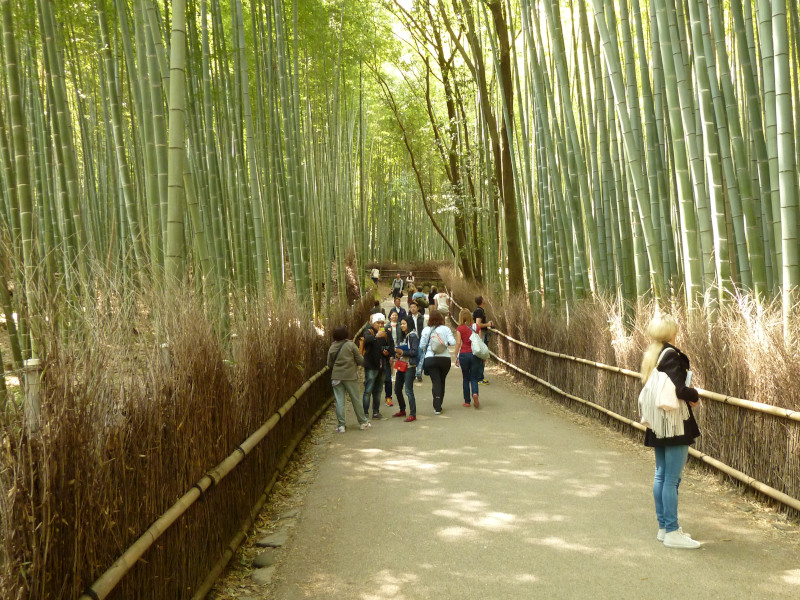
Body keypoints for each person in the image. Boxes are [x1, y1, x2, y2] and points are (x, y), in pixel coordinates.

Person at [640, 314, 701, 550]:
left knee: (661, 475)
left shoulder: (652, 354)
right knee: (671, 479)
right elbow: (679, 388)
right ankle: (673, 531)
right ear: (671, 332)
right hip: (673, 423)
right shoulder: (672, 355)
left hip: (658, 422)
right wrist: (694, 396)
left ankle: (664, 527)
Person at [327, 326, 371, 432]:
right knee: (355, 399)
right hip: (350, 375)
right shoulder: (351, 345)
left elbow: (329, 363)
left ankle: (341, 425)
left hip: (337, 376)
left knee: (339, 401)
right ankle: (363, 423)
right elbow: (360, 359)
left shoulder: (332, 347)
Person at [418, 310, 456, 415]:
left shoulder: (426, 330)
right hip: (445, 359)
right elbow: (453, 342)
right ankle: (439, 403)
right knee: (441, 380)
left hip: (430, 358)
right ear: (441, 319)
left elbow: (421, 346)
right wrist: (444, 343)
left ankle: (437, 406)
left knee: (435, 381)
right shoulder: (446, 329)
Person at [362, 313, 394, 419]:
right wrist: (376, 336)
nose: (380, 325)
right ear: (373, 323)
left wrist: (387, 352)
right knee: (368, 390)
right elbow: (366, 340)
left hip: (382, 365)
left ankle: (376, 412)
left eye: (382, 323)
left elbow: (390, 346)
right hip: (371, 365)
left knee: (379, 390)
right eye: (378, 323)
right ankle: (365, 413)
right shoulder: (369, 331)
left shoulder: (386, 333)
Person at [392, 318, 419, 422]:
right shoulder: (402, 335)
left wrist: (402, 352)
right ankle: (402, 409)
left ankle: (413, 413)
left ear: (409, 324)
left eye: (404, 324)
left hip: (409, 366)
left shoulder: (412, 336)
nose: (402, 326)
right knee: (397, 389)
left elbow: (415, 352)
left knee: (408, 390)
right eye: (401, 324)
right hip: (401, 365)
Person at [454, 309, 481, 409]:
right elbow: (479, 341)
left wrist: (456, 356)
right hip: (475, 354)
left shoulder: (460, 328)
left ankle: (467, 401)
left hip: (464, 354)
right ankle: (475, 393)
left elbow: (458, 343)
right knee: (474, 377)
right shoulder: (476, 327)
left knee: (466, 378)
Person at [473, 296, 493, 384]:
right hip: (481, 334)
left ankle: (478, 376)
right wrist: (488, 324)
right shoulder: (479, 311)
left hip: (482, 334)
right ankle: (479, 377)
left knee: (481, 356)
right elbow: (478, 324)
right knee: (482, 355)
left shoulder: (479, 310)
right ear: (482, 301)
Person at [384, 312, 403, 405]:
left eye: (396, 315)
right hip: (391, 348)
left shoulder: (400, 325)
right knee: (391, 365)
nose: (394, 316)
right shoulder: (386, 327)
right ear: (390, 316)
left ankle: (396, 375)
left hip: (397, 345)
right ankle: (392, 376)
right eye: (393, 315)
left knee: (397, 361)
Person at [407, 301, 426, 382]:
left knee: (419, 356)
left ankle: (419, 373)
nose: (413, 309)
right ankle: (413, 373)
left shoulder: (422, 318)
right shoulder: (408, 318)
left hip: (420, 339)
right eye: (411, 307)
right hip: (411, 340)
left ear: (418, 308)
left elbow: (425, 330)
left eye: (414, 307)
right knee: (412, 357)